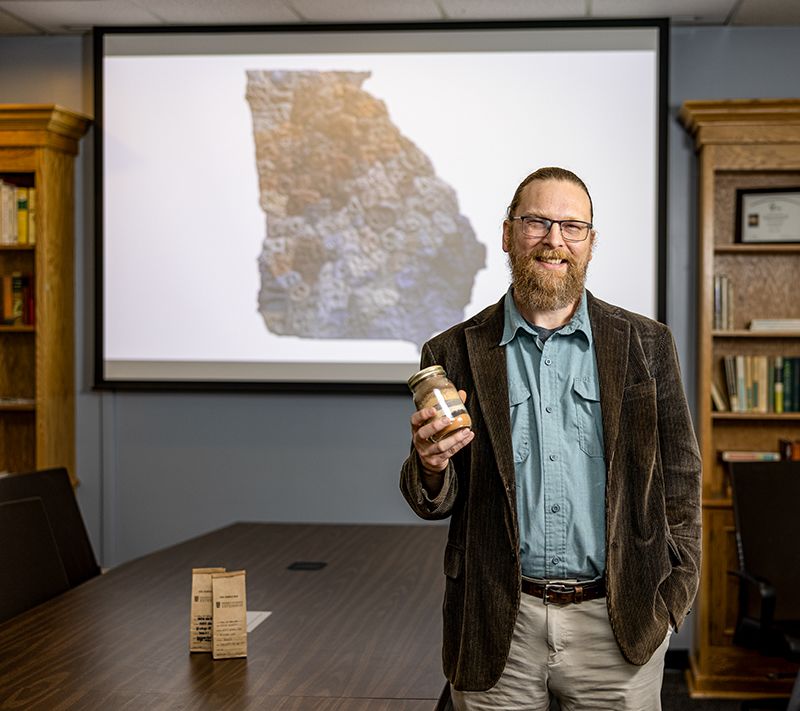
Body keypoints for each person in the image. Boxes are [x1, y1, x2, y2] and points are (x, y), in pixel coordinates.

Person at [400, 166, 701, 710]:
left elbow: (680, 476)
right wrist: (429, 466)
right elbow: (433, 498)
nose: (554, 241)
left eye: (572, 227)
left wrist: (674, 593)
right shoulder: (451, 353)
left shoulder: (646, 343)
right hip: (498, 625)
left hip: (619, 626)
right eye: (536, 222)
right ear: (507, 233)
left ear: (590, 242)